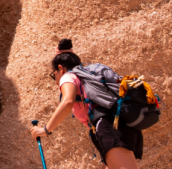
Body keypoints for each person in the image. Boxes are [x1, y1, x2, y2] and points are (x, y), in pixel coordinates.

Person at [28, 39, 142, 169]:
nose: (55, 82)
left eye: (54, 76)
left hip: (108, 127)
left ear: (60, 68)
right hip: (119, 127)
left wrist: (45, 130)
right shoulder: (85, 77)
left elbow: (68, 101)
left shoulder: (68, 76)